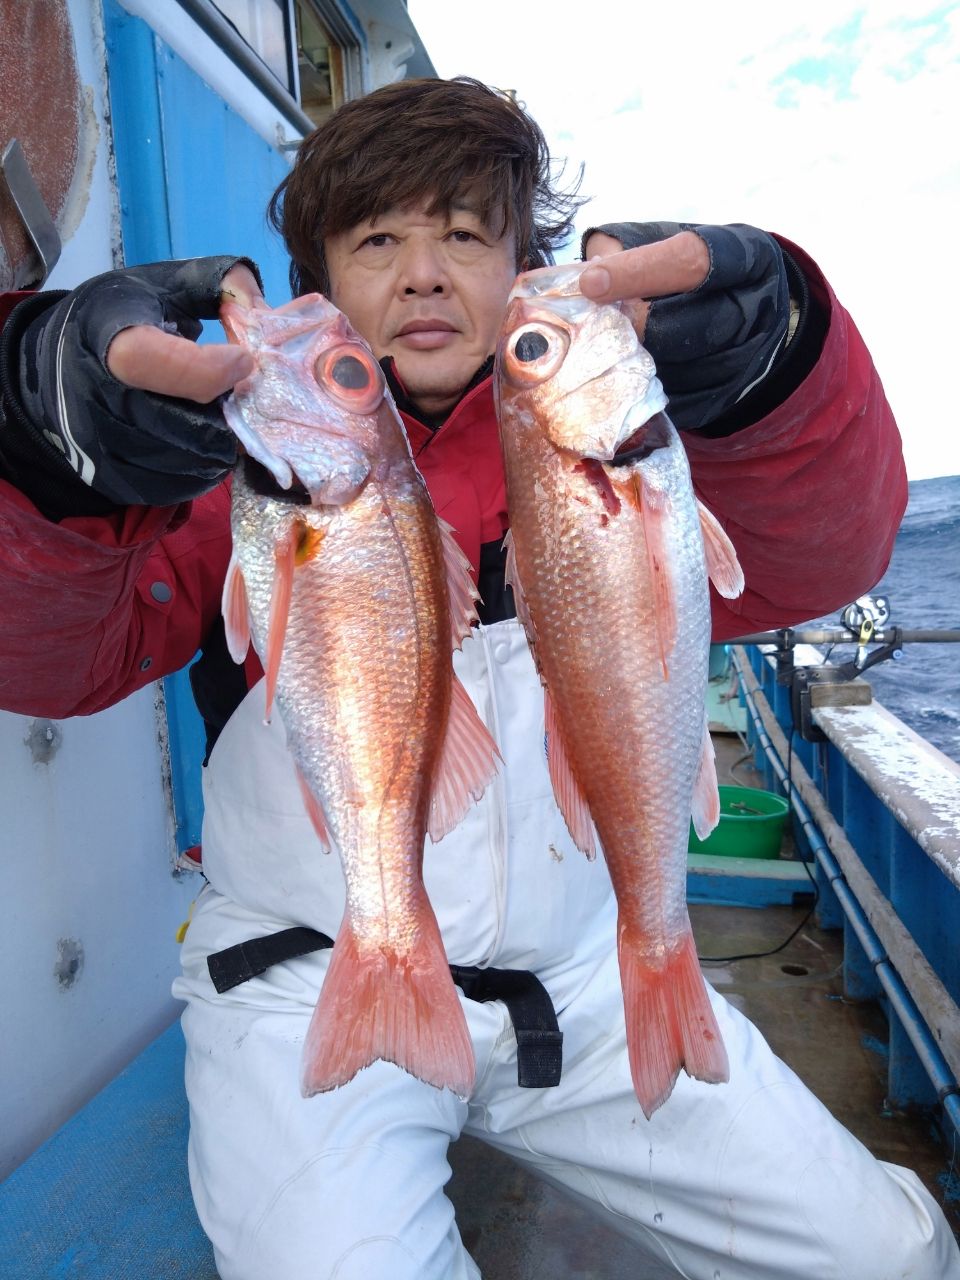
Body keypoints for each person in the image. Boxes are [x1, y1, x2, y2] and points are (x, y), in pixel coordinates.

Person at [0, 76, 954, 1280]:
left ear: (523, 265)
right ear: (321, 282)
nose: (423, 272)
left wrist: (782, 361)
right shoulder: (240, 479)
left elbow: (828, 547)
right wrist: (43, 464)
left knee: (885, 1253)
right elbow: (59, 658)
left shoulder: (619, 452)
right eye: (377, 239)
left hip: (591, 977)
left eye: (464, 233)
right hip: (309, 974)